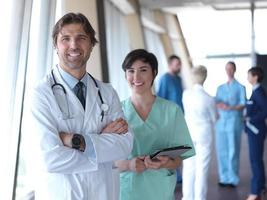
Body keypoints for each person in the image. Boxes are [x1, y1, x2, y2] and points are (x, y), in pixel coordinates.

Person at [28, 13, 133, 200]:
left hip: (103, 193)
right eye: (65, 39)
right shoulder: (41, 94)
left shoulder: (107, 92)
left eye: (81, 38)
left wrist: (74, 141)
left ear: (92, 44)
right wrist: (101, 144)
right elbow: (50, 159)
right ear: (55, 45)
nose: (74, 45)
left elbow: (124, 146)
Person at [115, 49, 195, 200]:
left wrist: (167, 163)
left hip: (160, 190)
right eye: (131, 71)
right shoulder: (115, 112)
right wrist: (129, 165)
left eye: (143, 70)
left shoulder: (172, 111)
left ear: (154, 73)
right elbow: (106, 162)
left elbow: (181, 157)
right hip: (128, 190)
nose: (136, 77)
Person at [182, 66, 217, 200]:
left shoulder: (185, 94)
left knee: (189, 168)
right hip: (204, 135)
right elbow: (214, 118)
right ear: (205, 77)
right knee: (202, 169)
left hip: (189, 133)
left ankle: (187, 198)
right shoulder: (209, 98)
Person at [215, 61, 246, 187]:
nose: (229, 71)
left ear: (235, 70)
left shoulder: (240, 87)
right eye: (227, 68)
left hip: (234, 122)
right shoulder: (220, 88)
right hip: (221, 123)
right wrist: (220, 105)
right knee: (221, 150)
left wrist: (231, 108)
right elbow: (216, 101)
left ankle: (233, 178)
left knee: (233, 150)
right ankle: (224, 177)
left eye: (231, 68)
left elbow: (243, 103)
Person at [157, 55, 184, 182]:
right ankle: (170, 173)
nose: (179, 66)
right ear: (170, 64)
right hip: (168, 119)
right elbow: (160, 98)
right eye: (177, 64)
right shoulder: (165, 79)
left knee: (178, 147)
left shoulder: (178, 79)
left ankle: (177, 173)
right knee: (169, 147)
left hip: (179, 118)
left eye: (180, 64)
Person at [245, 67, 267, 200]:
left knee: (255, 161)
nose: (247, 77)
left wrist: (251, 119)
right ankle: (261, 188)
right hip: (255, 131)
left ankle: (255, 191)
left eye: (249, 75)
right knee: (257, 160)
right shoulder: (255, 91)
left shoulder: (258, 92)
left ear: (255, 77)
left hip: (256, 131)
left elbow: (265, 110)